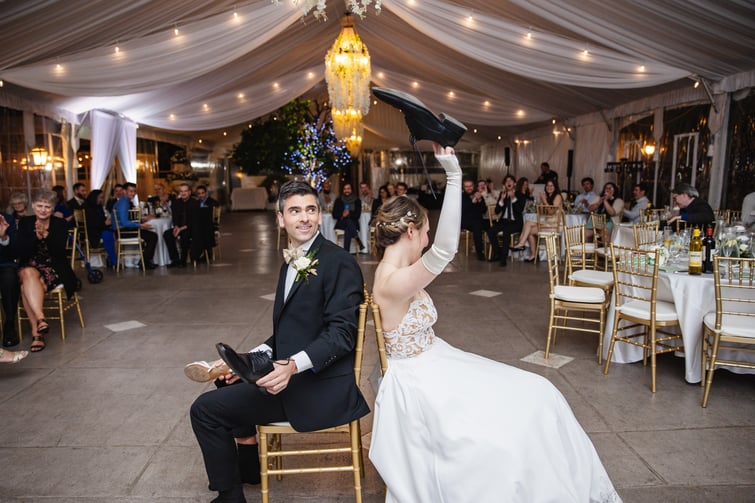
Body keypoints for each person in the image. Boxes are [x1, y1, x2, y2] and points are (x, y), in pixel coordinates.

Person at [369, 144, 619, 503]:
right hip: (421, 382)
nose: (427, 239)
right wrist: (454, 177)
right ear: (410, 231)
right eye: (425, 231)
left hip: (437, 360)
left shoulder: (399, 273)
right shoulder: (391, 281)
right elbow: (444, 251)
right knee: (523, 411)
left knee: (541, 392)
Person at [189, 180, 369, 503]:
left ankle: (230, 498)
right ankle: (249, 470)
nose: (304, 218)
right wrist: (246, 360)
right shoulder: (293, 260)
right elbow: (290, 331)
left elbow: (342, 334)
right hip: (295, 373)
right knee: (228, 381)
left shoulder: (338, 262)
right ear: (280, 218)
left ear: (319, 214)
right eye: (295, 210)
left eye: (311, 210)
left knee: (204, 411)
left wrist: (291, 367)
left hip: (317, 385)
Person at [16, 190, 80, 352]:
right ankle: (41, 319)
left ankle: (37, 333)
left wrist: (46, 235)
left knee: (25, 287)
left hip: (54, 267)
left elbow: (59, 253)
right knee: (28, 272)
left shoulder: (60, 224)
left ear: (53, 208)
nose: (43, 210)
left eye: (47, 206)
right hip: (30, 265)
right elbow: (21, 252)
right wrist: (36, 238)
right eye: (39, 206)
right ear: (33, 206)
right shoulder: (25, 223)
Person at [512, 179, 563, 262]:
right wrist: (540, 202)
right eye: (547, 185)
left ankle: (529, 250)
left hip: (555, 225)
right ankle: (528, 249)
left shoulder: (557, 196)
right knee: (527, 223)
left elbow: (551, 212)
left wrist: (544, 201)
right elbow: (541, 213)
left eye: (551, 186)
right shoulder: (549, 197)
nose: (549, 187)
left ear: (555, 187)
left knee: (529, 231)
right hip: (547, 223)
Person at [113, 182, 158, 269]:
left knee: (150, 235)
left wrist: (142, 220)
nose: (133, 194)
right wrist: (141, 225)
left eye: (134, 191)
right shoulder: (124, 203)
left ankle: (144, 261)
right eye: (131, 191)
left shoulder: (124, 201)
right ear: (124, 191)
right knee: (153, 236)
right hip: (123, 231)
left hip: (122, 230)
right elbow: (124, 222)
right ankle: (145, 262)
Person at [486, 174, 526, 267]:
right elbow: (496, 211)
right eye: (506, 181)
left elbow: (519, 210)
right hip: (503, 221)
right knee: (490, 231)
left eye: (510, 181)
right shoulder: (502, 194)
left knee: (506, 232)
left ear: (515, 184)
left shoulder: (520, 195)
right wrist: (502, 200)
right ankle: (498, 253)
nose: (508, 182)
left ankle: (503, 259)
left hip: (515, 222)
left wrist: (513, 198)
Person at [164, 183, 198, 268]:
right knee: (167, 234)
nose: (183, 193)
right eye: (181, 191)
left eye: (185, 191)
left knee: (185, 234)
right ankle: (175, 260)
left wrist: (181, 229)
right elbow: (175, 217)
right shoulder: (176, 203)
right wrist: (176, 227)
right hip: (179, 227)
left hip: (191, 228)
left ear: (189, 192)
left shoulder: (195, 203)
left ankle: (183, 261)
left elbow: (194, 221)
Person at [0, 212, 20, 348]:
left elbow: (15, 252)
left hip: (4, 264)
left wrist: (3, 237)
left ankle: (9, 324)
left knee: (10, 277)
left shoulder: (7, 219)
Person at [84, 190, 117, 267]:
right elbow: (91, 223)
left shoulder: (98, 207)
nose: (102, 200)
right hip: (93, 232)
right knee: (108, 234)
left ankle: (113, 258)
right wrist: (104, 223)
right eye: (100, 198)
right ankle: (113, 260)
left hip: (100, 229)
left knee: (112, 232)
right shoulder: (88, 208)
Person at [332, 182, 364, 252]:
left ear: (351, 190)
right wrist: (342, 215)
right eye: (345, 189)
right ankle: (357, 239)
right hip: (341, 222)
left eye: (348, 189)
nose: (346, 191)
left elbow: (357, 215)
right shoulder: (338, 200)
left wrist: (349, 214)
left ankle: (346, 252)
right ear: (343, 190)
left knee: (348, 228)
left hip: (353, 222)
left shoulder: (357, 201)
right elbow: (334, 214)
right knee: (348, 222)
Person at [461, 178, 488, 261]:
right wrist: (472, 203)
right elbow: (462, 211)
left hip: (478, 220)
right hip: (466, 221)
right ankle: (480, 252)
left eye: (470, 186)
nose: (469, 188)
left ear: (474, 186)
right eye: (466, 186)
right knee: (477, 226)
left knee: (492, 227)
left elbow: (483, 210)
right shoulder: (460, 197)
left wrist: (479, 200)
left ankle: (496, 251)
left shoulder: (478, 194)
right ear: (463, 187)